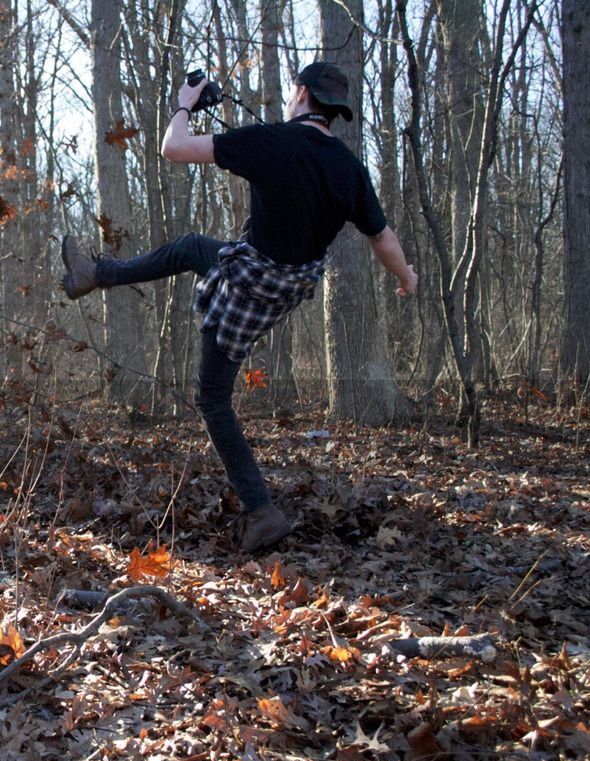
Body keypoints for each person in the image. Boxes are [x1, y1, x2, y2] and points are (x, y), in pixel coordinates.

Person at [60, 62, 419, 553]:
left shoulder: (271, 140)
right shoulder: (349, 169)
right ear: (334, 112)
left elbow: (173, 148)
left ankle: (261, 510)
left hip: (251, 279)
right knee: (193, 255)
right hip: (284, 290)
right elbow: (382, 237)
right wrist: (407, 277)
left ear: (300, 93)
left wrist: (185, 104)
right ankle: (94, 274)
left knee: (211, 394)